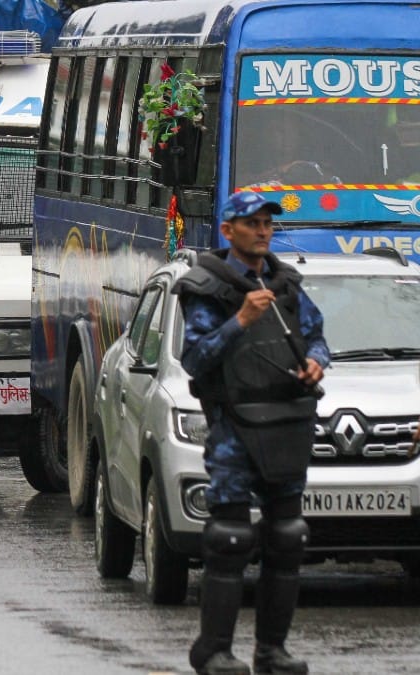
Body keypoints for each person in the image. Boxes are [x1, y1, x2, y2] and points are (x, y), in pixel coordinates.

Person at [174, 191, 329, 675]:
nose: (262, 231)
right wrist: (241, 320)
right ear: (228, 230)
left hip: (287, 425)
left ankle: (271, 651)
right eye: (252, 223)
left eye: (267, 223)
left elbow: (317, 336)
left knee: (287, 537)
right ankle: (214, 651)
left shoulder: (287, 284)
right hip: (235, 429)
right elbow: (194, 359)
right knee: (230, 540)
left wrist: (315, 363)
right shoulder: (207, 288)